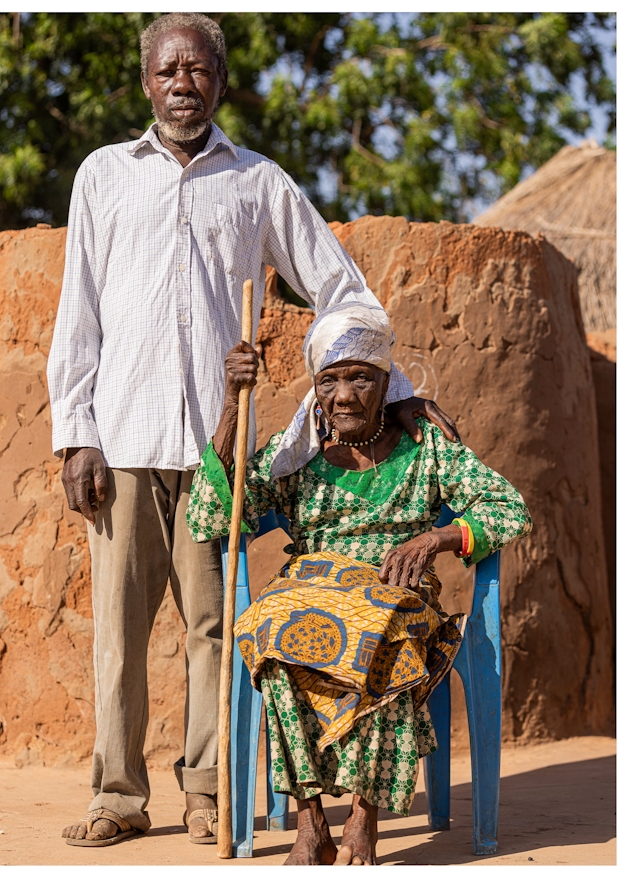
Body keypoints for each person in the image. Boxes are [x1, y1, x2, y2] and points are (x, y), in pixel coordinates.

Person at [47, 12, 459, 847]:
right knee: (120, 639)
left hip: (217, 453)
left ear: (220, 82)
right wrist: (74, 433)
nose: (183, 84)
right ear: (145, 82)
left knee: (211, 630)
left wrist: (399, 388)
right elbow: (77, 315)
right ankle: (117, 798)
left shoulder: (258, 181)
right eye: (167, 71)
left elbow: (340, 292)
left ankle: (206, 794)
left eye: (198, 71)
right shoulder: (102, 176)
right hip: (120, 438)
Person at [187, 305, 530, 864]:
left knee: (384, 634)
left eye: (359, 378)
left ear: (386, 381)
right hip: (310, 594)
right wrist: (230, 405)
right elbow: (208, 517)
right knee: (271, 636)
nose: (343, 395)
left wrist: (435, 539)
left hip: (397, 597)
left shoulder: (426, 444)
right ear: (315, 389)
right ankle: (311, 821)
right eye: (329, 380)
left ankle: (364, 817)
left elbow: (508, 508)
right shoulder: (295, 455)